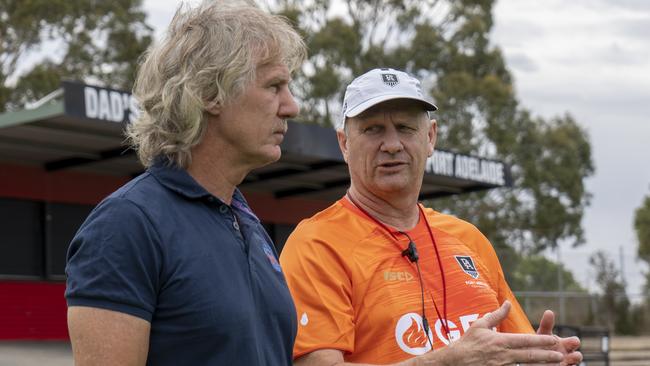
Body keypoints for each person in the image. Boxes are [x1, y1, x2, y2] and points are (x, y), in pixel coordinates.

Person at [279, 68, 583, 365]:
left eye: (405, 128)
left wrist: (539, 360)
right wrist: (444, 362)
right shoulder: (317, 245)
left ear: (431, 138)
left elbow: (509, 350)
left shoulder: (468, 239)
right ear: (345, 143)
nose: (392, 145)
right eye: (373, 129)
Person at [64, 1, 306, 365]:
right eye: (274, 86)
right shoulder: (126, 225)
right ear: (210, 92)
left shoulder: (248, 224)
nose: (292, 106)